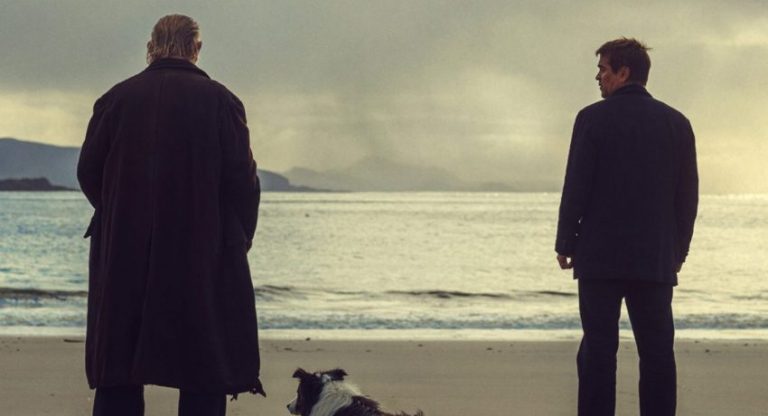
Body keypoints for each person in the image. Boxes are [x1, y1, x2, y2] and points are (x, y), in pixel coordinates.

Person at [78, 14, 264, 416]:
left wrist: (120, 215)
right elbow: (244, 182)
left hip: (124, 254)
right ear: (196, 49)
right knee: (203, 368)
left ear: (151, 47)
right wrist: (237, 238)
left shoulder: (115, 100)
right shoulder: (221, 102)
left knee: (119, 370)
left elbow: (88, 172)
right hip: (200, 254)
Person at [555, 38, 698, 416]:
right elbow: (687, 198)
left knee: (598, 352)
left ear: (623, 72)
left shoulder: (592, 118)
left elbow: (576, 184)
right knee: (657, 353)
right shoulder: (677, 123)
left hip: (599, 257)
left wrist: (565, 241)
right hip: (654, 258)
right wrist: (678, 251)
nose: (598, 77)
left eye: (603, 69)